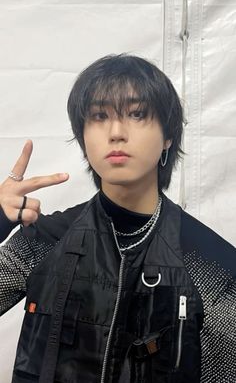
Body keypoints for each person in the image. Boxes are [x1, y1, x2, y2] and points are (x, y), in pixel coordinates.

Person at [0, 54, 235, 383]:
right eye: (99, 115)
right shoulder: (46, 240)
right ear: (82, 137)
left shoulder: (211, 263)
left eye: (137, 113)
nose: (116, 132)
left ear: (168, 136)